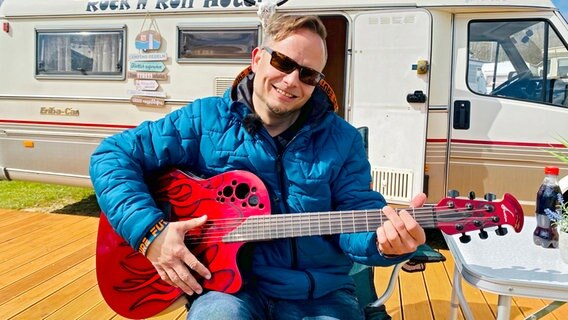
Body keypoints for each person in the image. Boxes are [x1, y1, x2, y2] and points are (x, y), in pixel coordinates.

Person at [90, 14, 426, 320]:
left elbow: (356, 211)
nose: (292, 80)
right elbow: (111, 155)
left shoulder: (343, 140)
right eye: (283, 62)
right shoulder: (204, 119)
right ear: (257, 59)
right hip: (227, 290)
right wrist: (151, 233)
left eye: (308, 74)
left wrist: (383, 244)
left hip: (319, 296)